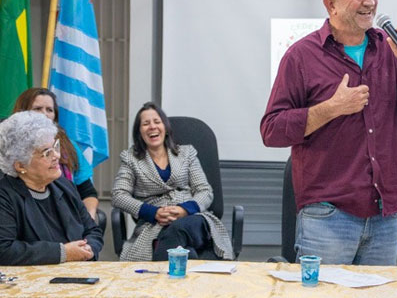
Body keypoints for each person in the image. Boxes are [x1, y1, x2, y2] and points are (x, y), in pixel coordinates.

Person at [260, 0, 397, 265]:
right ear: (330, 3)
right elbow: (272, 129)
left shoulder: (391, 49)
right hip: (328, 217)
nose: (370, 2)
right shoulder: (301, 56)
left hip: (384, 215)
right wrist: (330, 109)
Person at [112, 102, 234, 261]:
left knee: (176, 230)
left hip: (194, 218)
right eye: (146, 123)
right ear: (139, 131)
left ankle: (164, 280)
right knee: (186, 251)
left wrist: (184, 210)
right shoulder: (131, 159)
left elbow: (205, 190)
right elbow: (118, 195)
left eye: (157, 122)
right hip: (156, 224)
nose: (152, 127)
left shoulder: (186, 153)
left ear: (165, 127)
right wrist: (152, 212)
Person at [0, 111, 103, 265]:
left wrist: (88, 249)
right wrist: (64, 253)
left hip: (77, 273)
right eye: (46, 152)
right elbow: (4, 250)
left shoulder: (64, 185)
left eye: (55, 147)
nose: (56, 156)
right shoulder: (5, 196)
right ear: (20, 165)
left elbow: (93, 230)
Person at [13, 88, 99, 221]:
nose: (44, 114)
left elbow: (87, 192)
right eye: (37, 109)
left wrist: (89, 218)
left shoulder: (68, 146)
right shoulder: (10, 147)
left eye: (49, 110)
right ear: (23, 112)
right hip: (24, 219)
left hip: (69, 220)